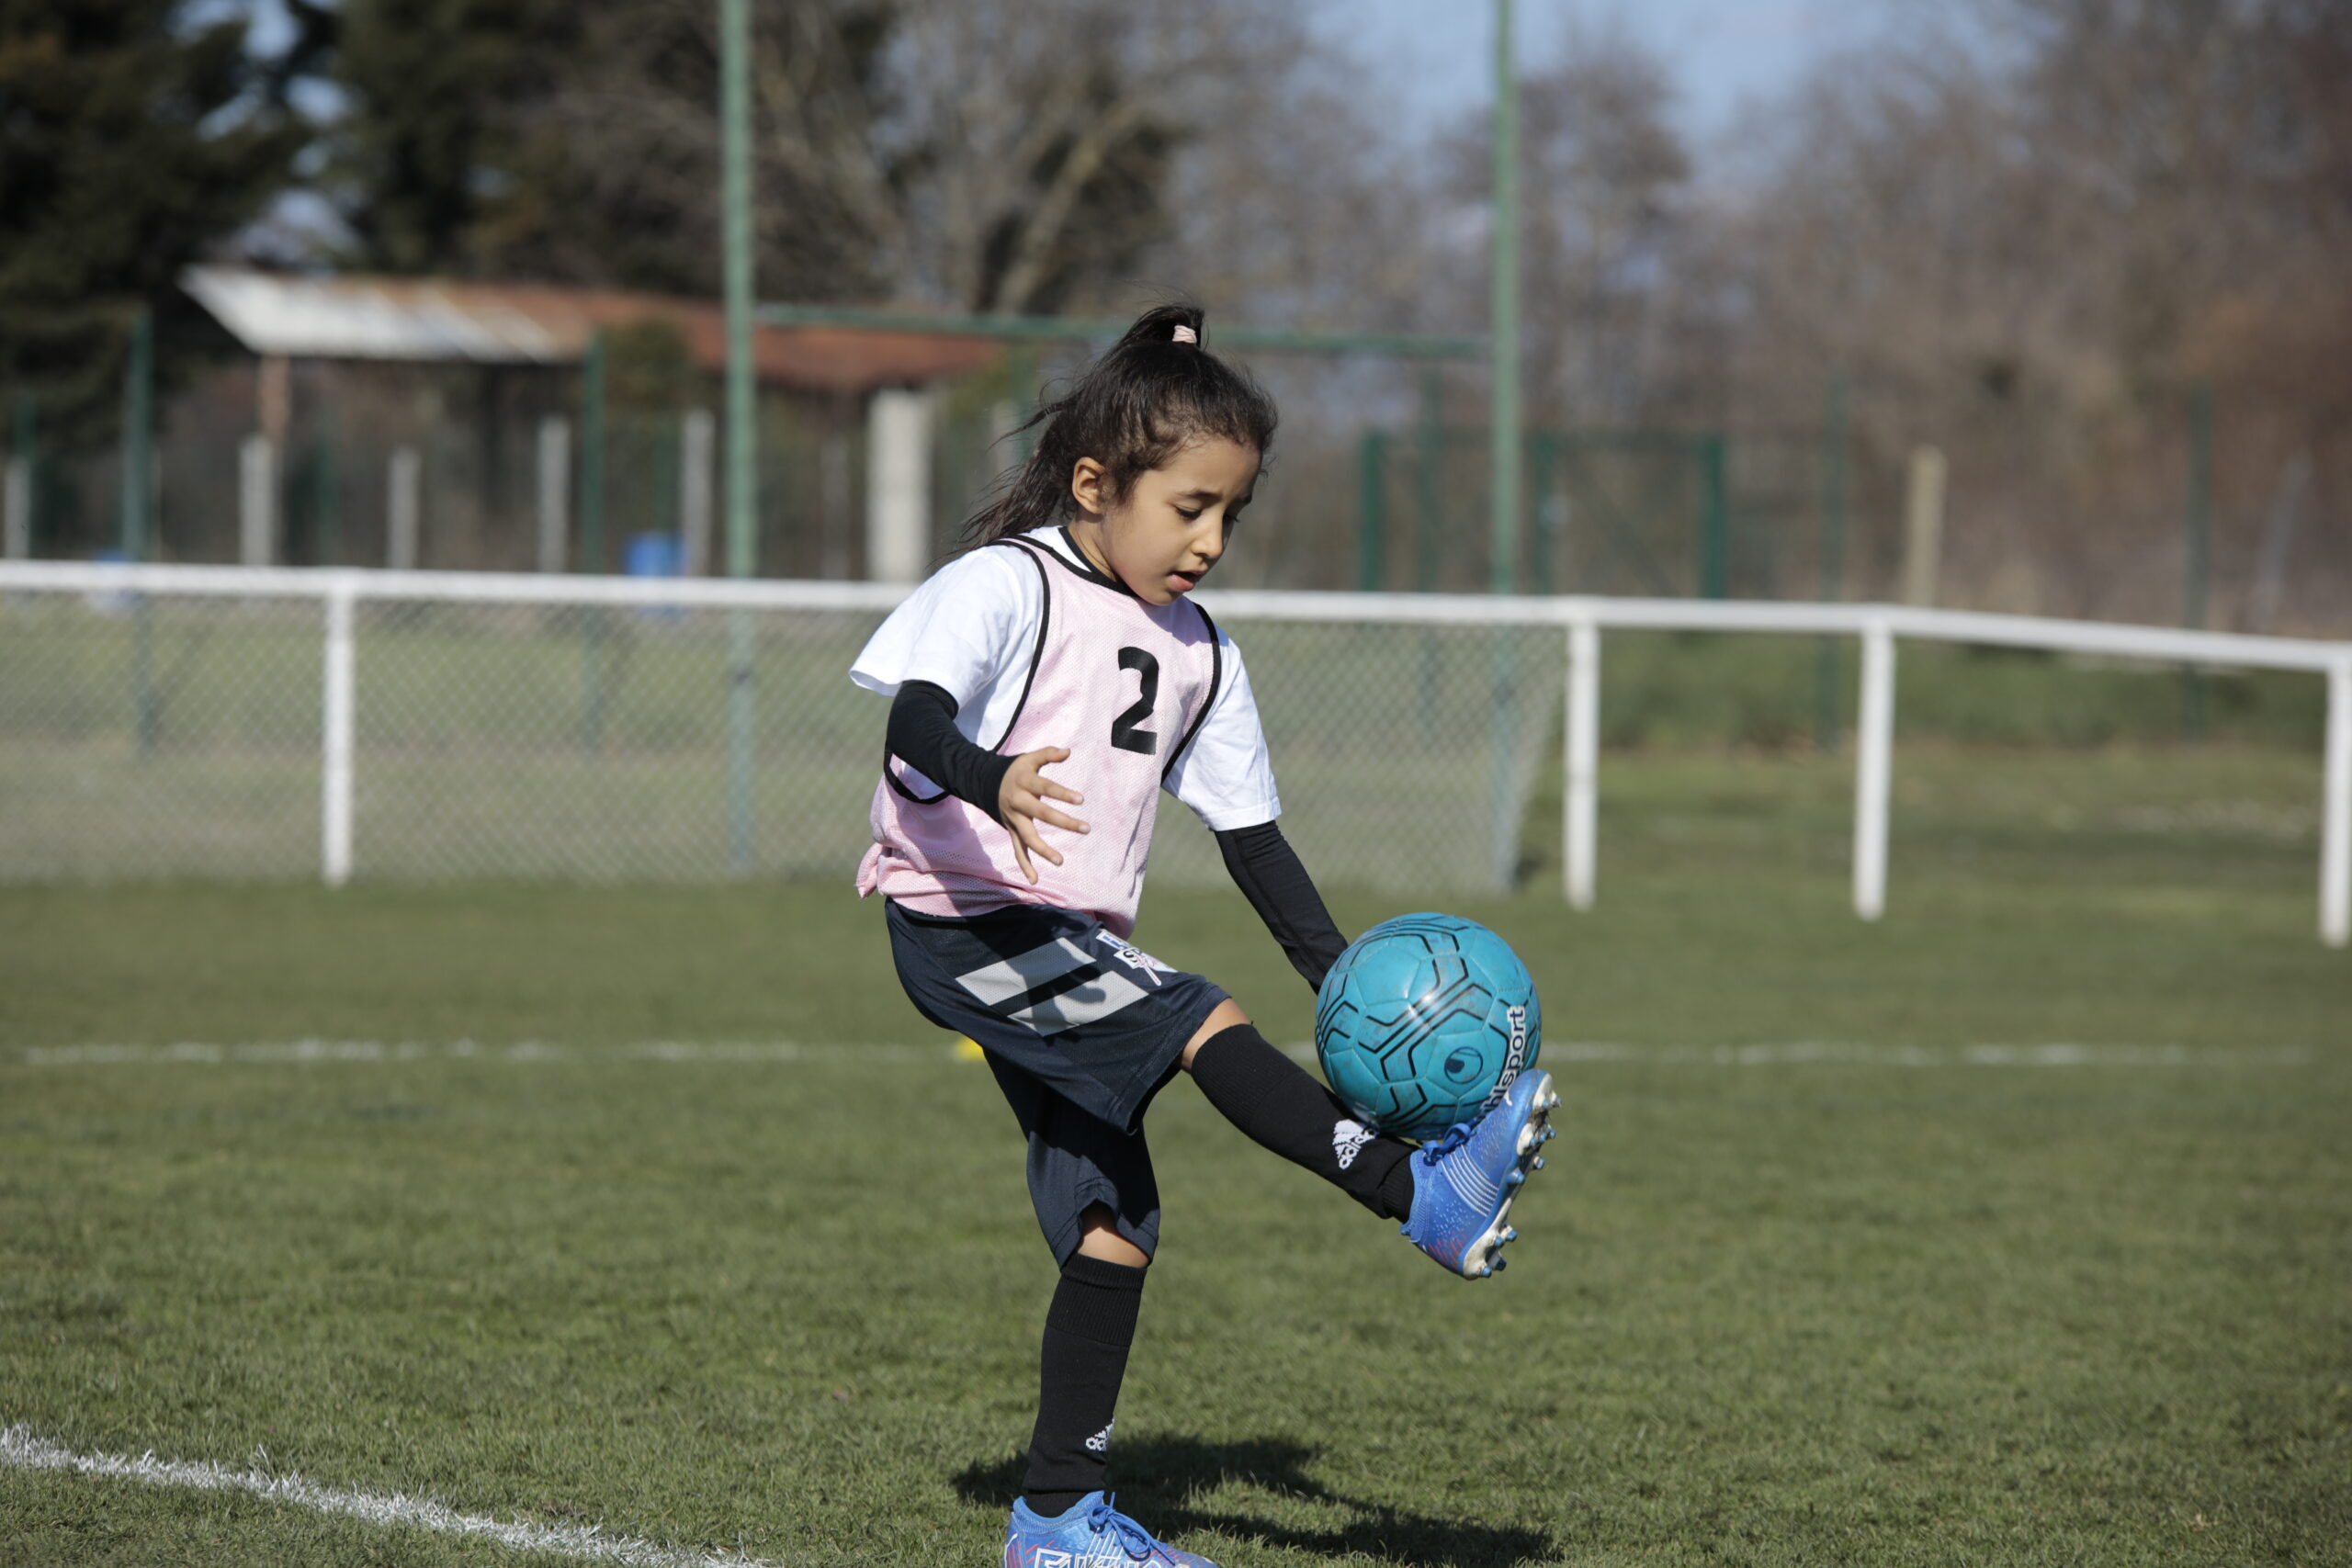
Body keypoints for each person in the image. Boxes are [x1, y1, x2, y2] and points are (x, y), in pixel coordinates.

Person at [850, 303, 1559, 1568]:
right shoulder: (1007, 581)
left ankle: (1056, 1523)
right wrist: (990, 776)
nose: (1211, 541)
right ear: (1094, 484)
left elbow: (1254, 843)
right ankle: (1417, 1194)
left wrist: (1345, 986)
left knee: (1116, 1219)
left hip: (1052, 937)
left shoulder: (1200, 655)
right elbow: (911, 720)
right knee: (1191, 1014)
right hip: (962, 917)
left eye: (1231, 512)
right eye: (1188, 507)